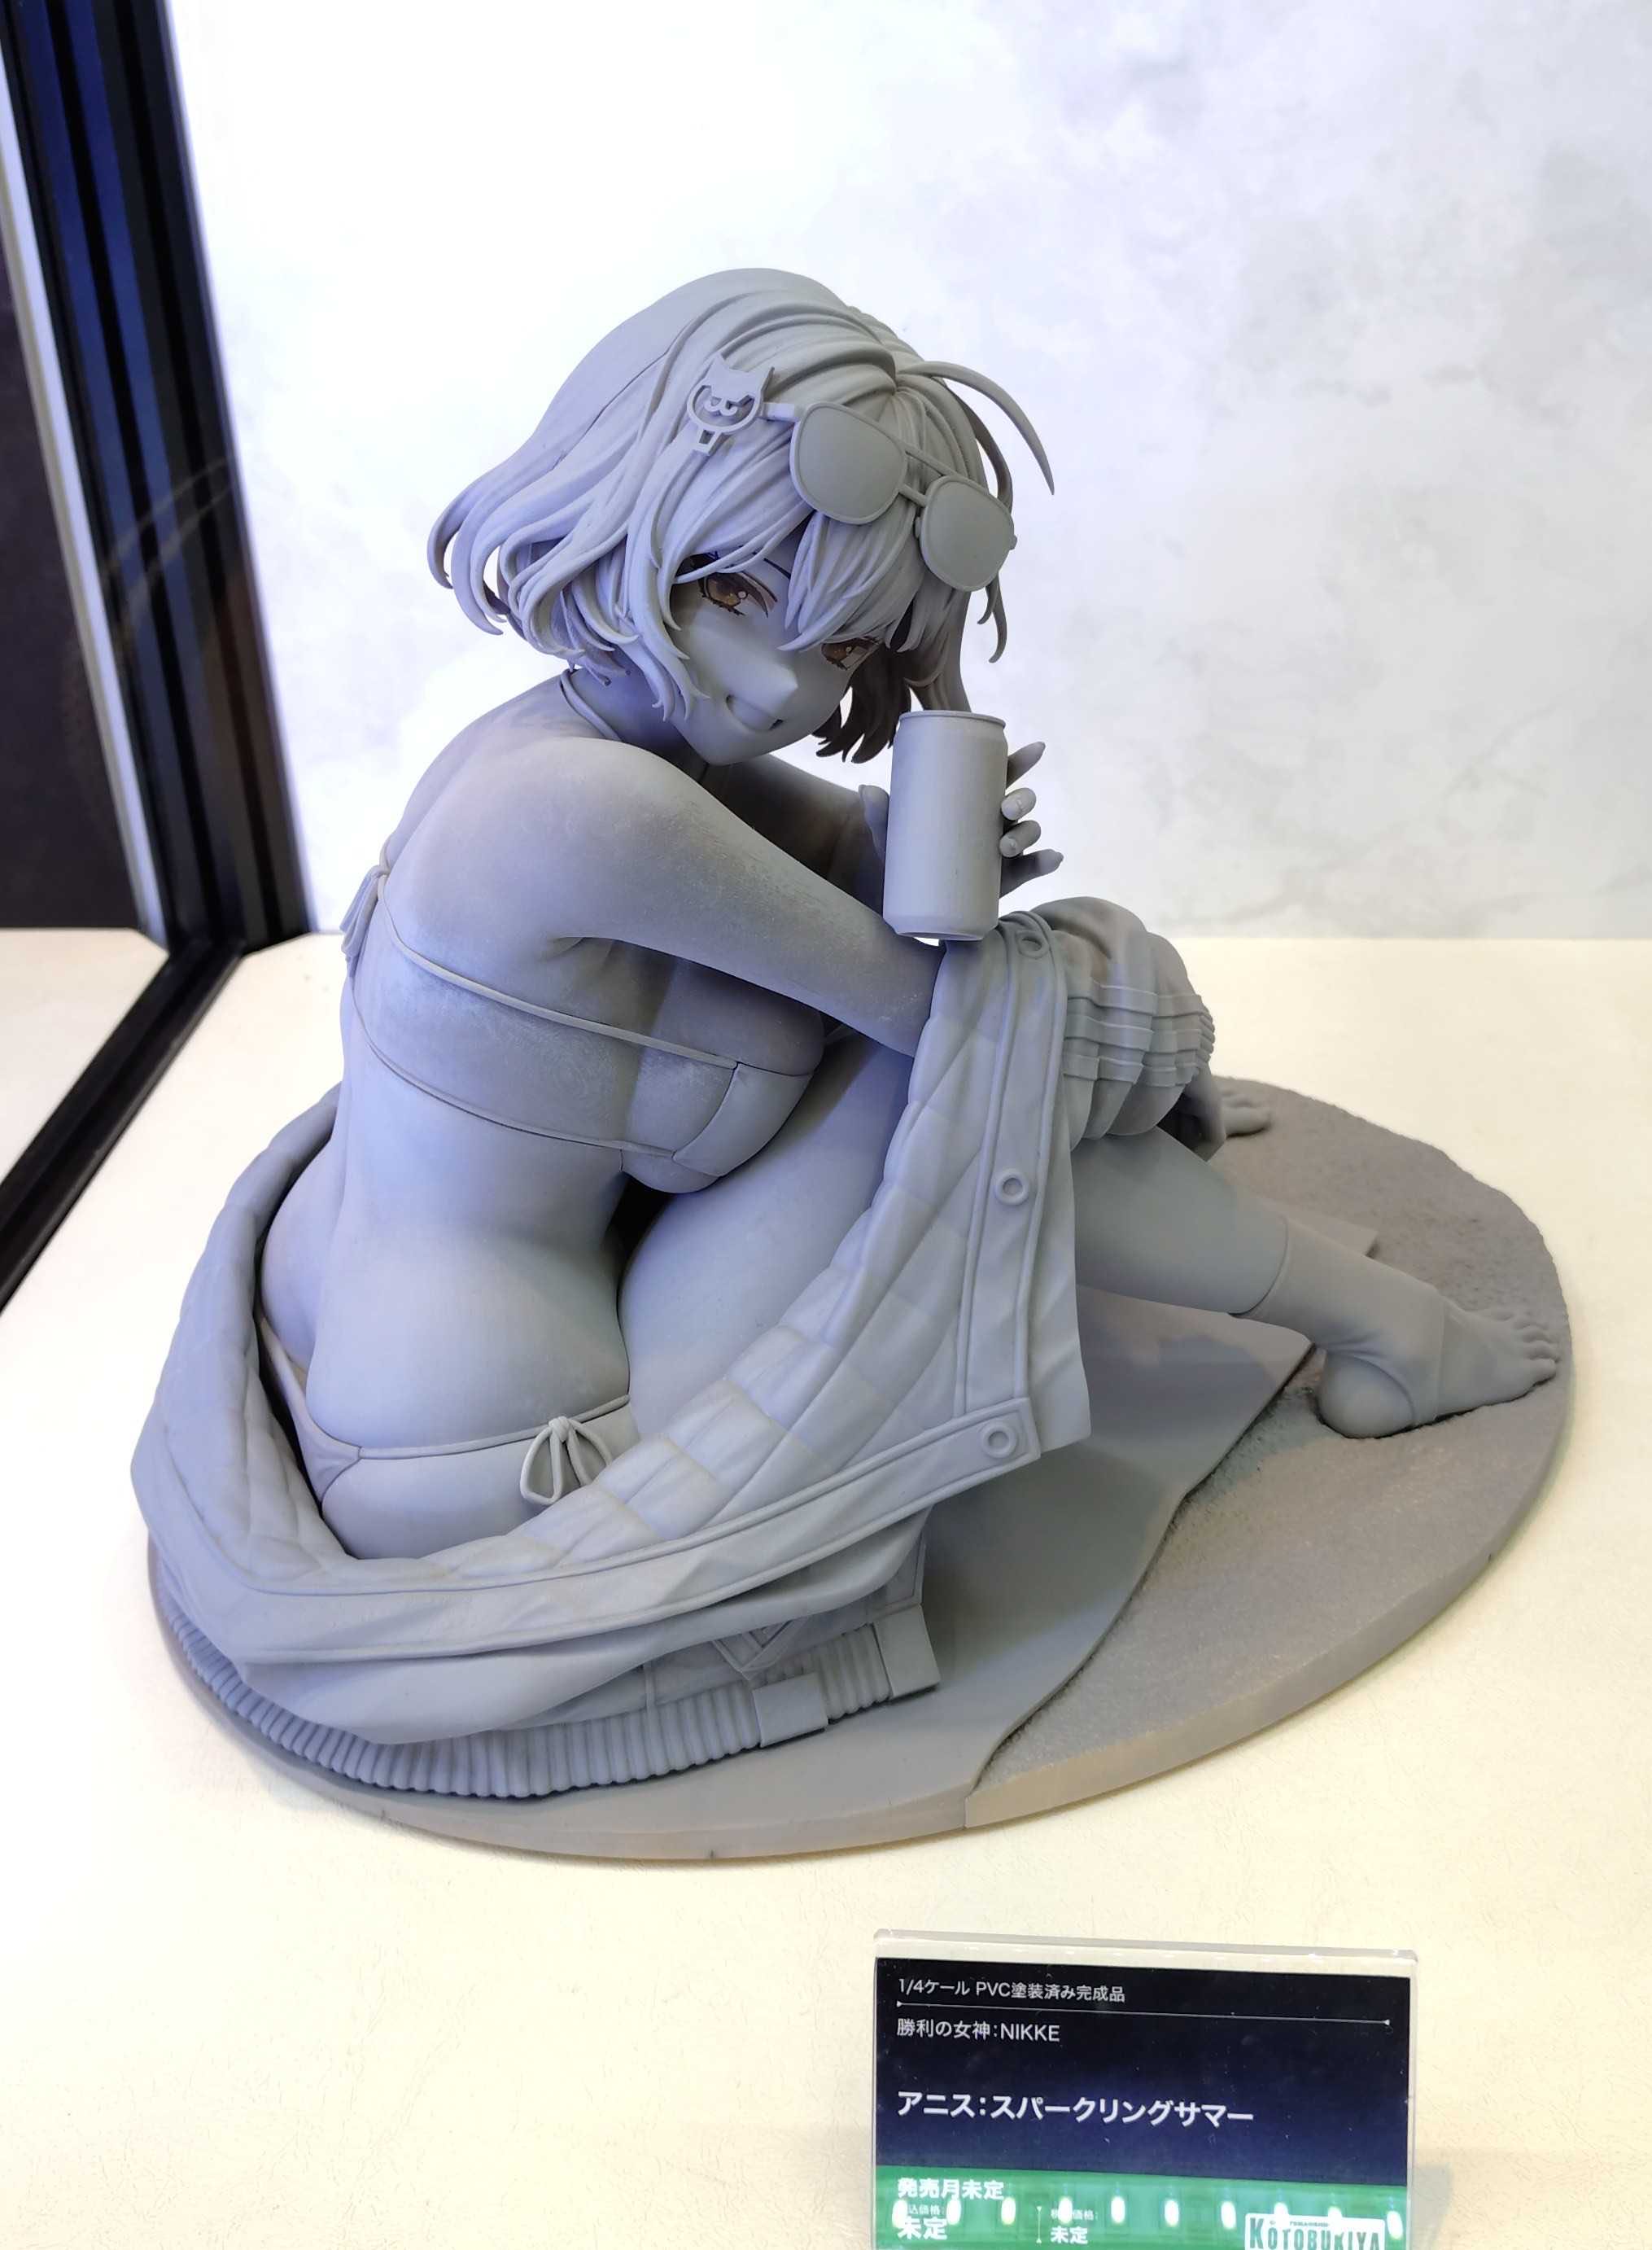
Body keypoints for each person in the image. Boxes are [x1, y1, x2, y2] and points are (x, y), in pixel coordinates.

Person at [257, 269, 1556, 1564]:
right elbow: (948, 1022)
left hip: (404, 1340)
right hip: (504, 1450)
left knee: (1006, 1036)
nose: (783, 683)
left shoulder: (576, 748)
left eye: (838, 644)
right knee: (979, 1073)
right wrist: (1132, 1036)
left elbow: (855, 860)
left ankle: (1257, 1207)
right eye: (735, 593)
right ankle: (1390, 1327)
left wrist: (938, 801)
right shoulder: (594, 807)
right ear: (624, 509)